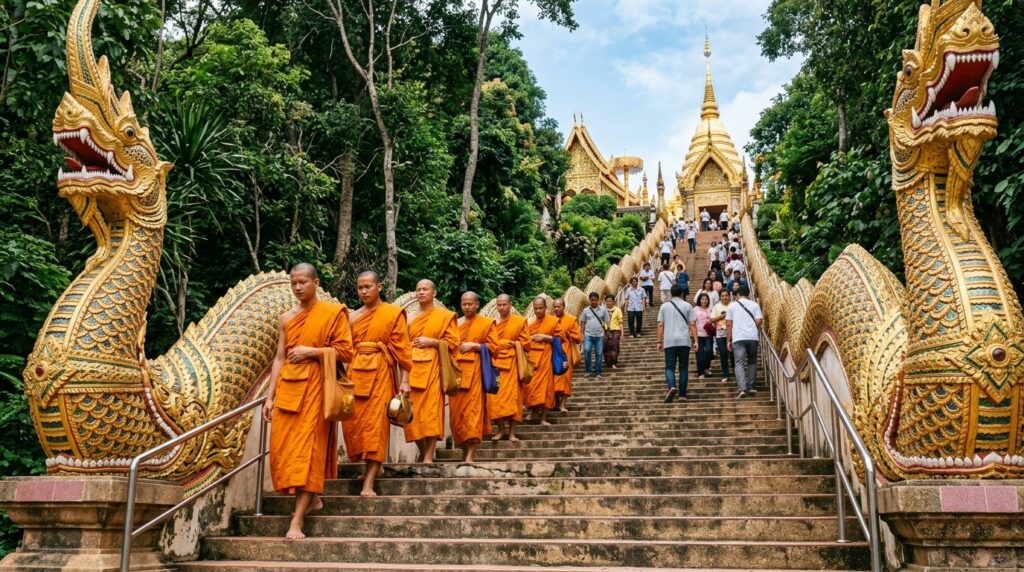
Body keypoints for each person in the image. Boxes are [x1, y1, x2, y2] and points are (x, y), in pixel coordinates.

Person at [264, 263, 354, 539]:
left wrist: (312, 352)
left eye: (303, 282)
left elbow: (346, 352)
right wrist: (270, 397)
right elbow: (279, 358)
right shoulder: (286, 318)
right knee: (282, 452)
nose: (298, 287)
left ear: (316, 283)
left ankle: (297, 521)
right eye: (294, 283)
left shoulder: (332, 313)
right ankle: (313, 499)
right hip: (289, 390)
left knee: (307, 454)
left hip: (317, 388)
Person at [345, 270, 412, 497]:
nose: (364, 291)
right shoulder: (353, 317)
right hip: (355, 374)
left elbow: (403, 351)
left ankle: (369, 483)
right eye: (360, 288)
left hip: (380, 373)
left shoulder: (393, 314)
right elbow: (342, 349)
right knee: (353, 425)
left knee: (376, 427)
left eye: (368, 287)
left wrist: (405, 381)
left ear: (379, 287)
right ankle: (372, 466)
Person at [404, 279, 458, 463]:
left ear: (434, 293)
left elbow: (453, 344)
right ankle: (422, 450)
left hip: (433, 371)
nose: (421, 292)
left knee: (431, 415)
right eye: (418, 289)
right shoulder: (409, 317)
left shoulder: (444, 316)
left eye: (425, 289)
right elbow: (400, 343)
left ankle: (428, 455)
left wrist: (434, 342)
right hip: (410, 371)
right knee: (412, 417)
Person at [452, 292, 498, 462]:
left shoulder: (486, 323)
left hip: (475, 376)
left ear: (477, 304)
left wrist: (477, 346)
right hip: (456, 374)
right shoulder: (455, 324)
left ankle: (471, 453)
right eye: (464, 304)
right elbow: (449, 345)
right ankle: (464, 450)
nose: (467, 307)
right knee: (457, 418)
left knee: (473, 415)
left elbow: (495, 348)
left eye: (470, 304)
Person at [489, 294, 530, 442]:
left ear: (510, 304)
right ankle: (501, 429)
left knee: (514, 399)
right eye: (499, 305)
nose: (501, 307)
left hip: (513, 365)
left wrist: (513, 344)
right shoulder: (492, 323)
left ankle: (512, 433)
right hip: (496, 365)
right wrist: (499, 344)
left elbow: (527, 344)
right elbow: (488, 342)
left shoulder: (519, 322)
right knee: (495, 399)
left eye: (504, 304)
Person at [525, 297, 563, 425]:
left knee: (546, 388)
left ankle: (543, 418)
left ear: (546, 308)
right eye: (536, 308)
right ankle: (533, 411)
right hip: (532, 359)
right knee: (530, 387)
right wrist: (532, 338)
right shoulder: (529, 323)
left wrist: (546, 337)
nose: (538, 311)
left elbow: (561, 338)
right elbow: (523, 340)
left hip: (546, 360)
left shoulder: (553, 321)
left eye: (541, 308)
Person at [657, 285, 698, 403]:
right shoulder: (687, 305)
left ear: (671, 293)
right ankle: (682, 395)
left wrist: (659, 341)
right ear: (681, 294)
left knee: (670, 367)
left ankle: (672, 386)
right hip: (684, 341)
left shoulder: (664, 306)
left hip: (669, 341)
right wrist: (696, 341)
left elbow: (660, 325)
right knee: (683, 368)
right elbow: (693, 324)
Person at [727, 284, 764, 398]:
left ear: (737, 294)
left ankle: (742, 388)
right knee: (752, 361)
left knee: (739, 362)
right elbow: (759, 320)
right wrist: (753, 328)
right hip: (752, 337)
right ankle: (752, 387)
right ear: (748, 294)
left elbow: (728, 324)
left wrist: (728, 340)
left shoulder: (732, 306)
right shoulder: (755, 305)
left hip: (738, 337)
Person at [552, 298, 582, 412]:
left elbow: (578, 338)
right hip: (554, 353)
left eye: (559, 306)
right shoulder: (551, 320)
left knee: (565, 378)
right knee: (554, 379)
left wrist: (567, 334)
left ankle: (562, 405)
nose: (556, 309)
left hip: (566, 352)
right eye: (554, 307)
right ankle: (556, 402)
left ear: (564, 307)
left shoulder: (571, 320)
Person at [578, 292, 610, 378]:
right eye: (592, 300)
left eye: (595, 300)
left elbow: (607, 321)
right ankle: (588, 370)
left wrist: (607, 332)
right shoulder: (586, 310)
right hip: (588, 334)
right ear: (589, 300)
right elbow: (582, 322)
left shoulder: (603, 310)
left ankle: (598, 371)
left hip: (599, 335)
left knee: (599, 353)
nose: (593, 302)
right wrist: (582, 334)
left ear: (598, 300)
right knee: (587, 350)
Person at [711, 289, 732, 382]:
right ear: (720, 297)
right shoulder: (716, 307)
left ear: (729, 296)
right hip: (720, 334)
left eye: (726, 295)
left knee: (733, 354)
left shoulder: (733, 305)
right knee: (723, 354)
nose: (724, 297)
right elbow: (711, 320)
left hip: (732, 333)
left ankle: (735, 370)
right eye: (722, 296)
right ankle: (725, 374)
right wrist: (721, 317)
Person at [694, 292, 714, 380]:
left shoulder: (710, 309)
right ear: (699, 300)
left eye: (706, 299)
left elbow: (713, 320)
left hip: (708, 334)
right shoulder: (695, 309)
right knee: (699, 354)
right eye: (702, 299)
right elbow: (692, 322)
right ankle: (700, 372)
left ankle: (706, 367)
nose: (704, 301)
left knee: (709, 351)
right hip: (698, 334)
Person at [603, 294, 623, 369]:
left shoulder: (617, 310)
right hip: (605, 330)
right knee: (605, 346)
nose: (609, 302)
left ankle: (614, 362)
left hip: (616, 330)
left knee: (614, 346)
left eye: (610, 301)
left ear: (613, 301)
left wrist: (622, 333)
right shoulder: (603, 310)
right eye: (607, 301)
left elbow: (620, 322)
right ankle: (608, 362)